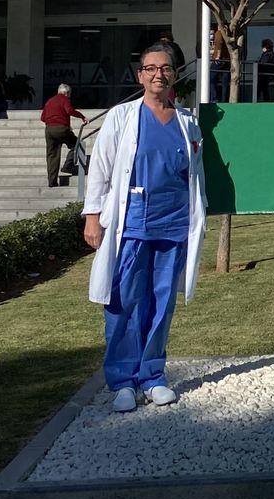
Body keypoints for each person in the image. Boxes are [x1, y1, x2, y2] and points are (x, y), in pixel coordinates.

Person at [83, 43, 207, 412]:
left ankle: (153, 376)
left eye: (165, 68)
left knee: (162, 302)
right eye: (151, 68)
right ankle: (123, 380)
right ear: (140, 76)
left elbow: (194, 175)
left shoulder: (187, 122)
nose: (159, 74)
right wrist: (92, 216)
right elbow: (101, 169)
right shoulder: (122, 117)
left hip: (173, 224)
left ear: (174, 75)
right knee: (123, 302)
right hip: (132, 225)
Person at [40, 82, 88, 188]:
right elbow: (69, 110)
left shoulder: (49, 101)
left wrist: (52, 121)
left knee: (52, 156)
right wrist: (82, 117)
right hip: (61, 128)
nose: (70, 96)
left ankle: (52, 182)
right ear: (67, 93)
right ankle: (67, 166)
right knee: (76, 145)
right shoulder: (64, 99)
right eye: (70, 94)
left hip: (49, 129)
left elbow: (43, 118)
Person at [256, 38, 274, 103]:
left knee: (260, 88)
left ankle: (257, 100)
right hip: (267, 74)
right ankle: (266, 101)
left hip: (264, 74)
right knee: (264, 88)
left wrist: (258, 63)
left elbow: (264, 63)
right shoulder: (271, 53)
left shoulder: (268, 54)